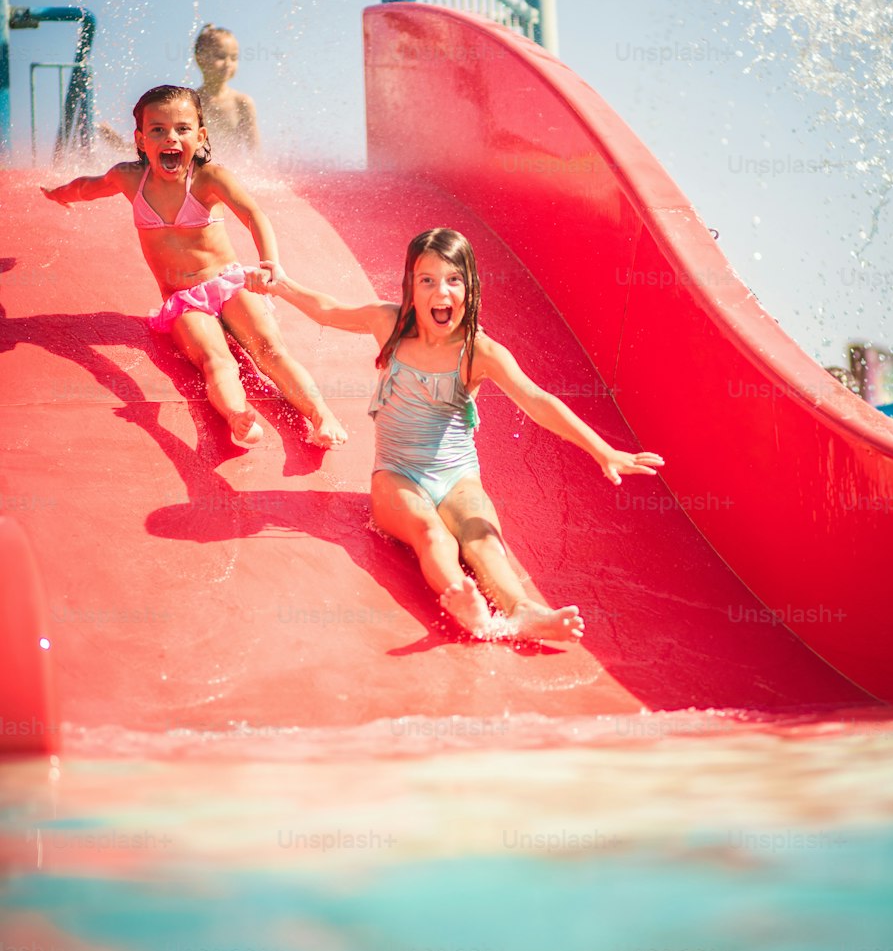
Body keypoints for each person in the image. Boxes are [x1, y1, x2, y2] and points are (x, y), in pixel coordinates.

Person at [246, 227, 664, 642]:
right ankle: (461, 599)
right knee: (431, 533)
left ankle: (523, 611)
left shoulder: (479, 351)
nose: (440, 292)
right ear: (410, 286)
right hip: (396, 474)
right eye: (427, 280)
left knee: (482, 538)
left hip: (458, 476)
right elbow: (328, 310)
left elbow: (537, 400)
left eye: (453, 280)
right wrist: (281, 283)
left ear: (470, 287)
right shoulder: (388, 322)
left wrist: (603, 449)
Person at [42, 84, 345, 450]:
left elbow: (253, 214)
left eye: (182, 129)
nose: (171, 137)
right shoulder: (129, 179)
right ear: (140, 140)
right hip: (183, 301)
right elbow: (91, 186)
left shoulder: (208, 178)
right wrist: (61, 193)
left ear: (200, 135)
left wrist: (269, 263)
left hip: (228, 284)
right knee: (215, 359)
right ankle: (237, 415)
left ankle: (321, 414)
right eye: (158, 130)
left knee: (270, 350)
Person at [193, 23, 260, 162]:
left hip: (231, 173)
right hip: (200, 173)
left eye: (234, 57)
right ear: (200, 58)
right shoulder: (191, 102)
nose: (228, 63)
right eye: (221, 56)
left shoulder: (241, 102)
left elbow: (255, 151)